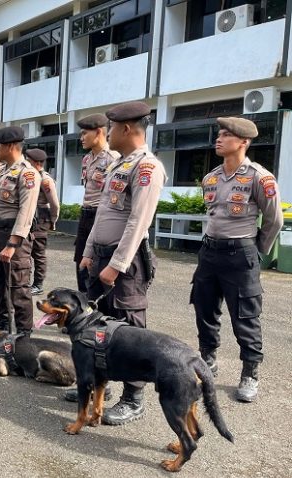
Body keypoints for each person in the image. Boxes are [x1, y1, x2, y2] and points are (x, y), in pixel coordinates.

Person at [71, 101, 166, 426]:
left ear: (127, 128)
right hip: (100, 255)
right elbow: (103, 213)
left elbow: (138, 221)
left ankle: (134, 398)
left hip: (125, 262)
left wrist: (117, 263)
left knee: (129, 328)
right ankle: (99, 387)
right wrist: (87, 250)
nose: (107, 133)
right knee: (102, 325)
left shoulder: (147, 167)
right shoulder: (118, 165)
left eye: (111, 127)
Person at [191, 117, 283, 403]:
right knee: (204, 309)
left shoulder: (259, 177)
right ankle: (208, 359)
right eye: (218, 134)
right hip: (209, 252)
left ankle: (250, 372)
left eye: (226, 135)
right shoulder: (212, 177)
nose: (219, 139)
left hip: (240, 254)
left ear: (243, 142)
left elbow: (274, 219)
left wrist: (256, 250)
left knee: (245, 315)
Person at [0, 126, 40, 336]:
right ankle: (3, 330)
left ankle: (23, 337)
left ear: (11, 146)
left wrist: (13, 244)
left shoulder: (27, 173)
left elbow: (26, 212)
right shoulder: (1, 172)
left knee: (18, 289)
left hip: (14, 238)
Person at [74, 114, 120, 293]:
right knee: (81, 261)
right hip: (85, 213)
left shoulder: (113, 158)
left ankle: (96, 305)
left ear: (99, 132)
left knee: (97, 263)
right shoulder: (86, 159)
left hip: (101, 215)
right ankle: (83, 302)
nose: (81, 138)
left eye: (85, 133)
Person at [26, 148, 60, 296]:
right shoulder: (30, 175)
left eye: (28, 160)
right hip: (30, 216)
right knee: (26, 250)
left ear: (35, 162)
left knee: (38, 252)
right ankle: (25, 282)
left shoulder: (45, 179)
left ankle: (38, 284)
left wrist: (53, 220)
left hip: (41, 217)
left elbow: (54, 203)